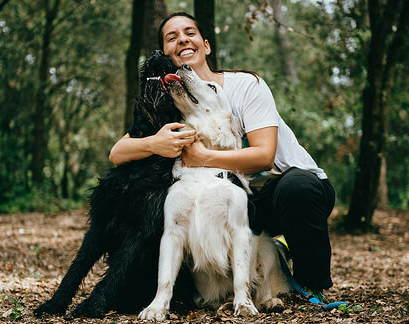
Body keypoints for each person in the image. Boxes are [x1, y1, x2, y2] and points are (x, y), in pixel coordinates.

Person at [109, 12, 335, 301]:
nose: (182, 40)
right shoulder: (172, 102)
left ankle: (309, 284)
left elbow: (265, 156)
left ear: (206, 45)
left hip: (287, 191)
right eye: (172, 37)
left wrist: (203, 157)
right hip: (239, 199)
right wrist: (155, 142)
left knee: (297, 188)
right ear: (164, 53)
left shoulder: (245, 86)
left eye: (189, 33)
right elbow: (117, 153)